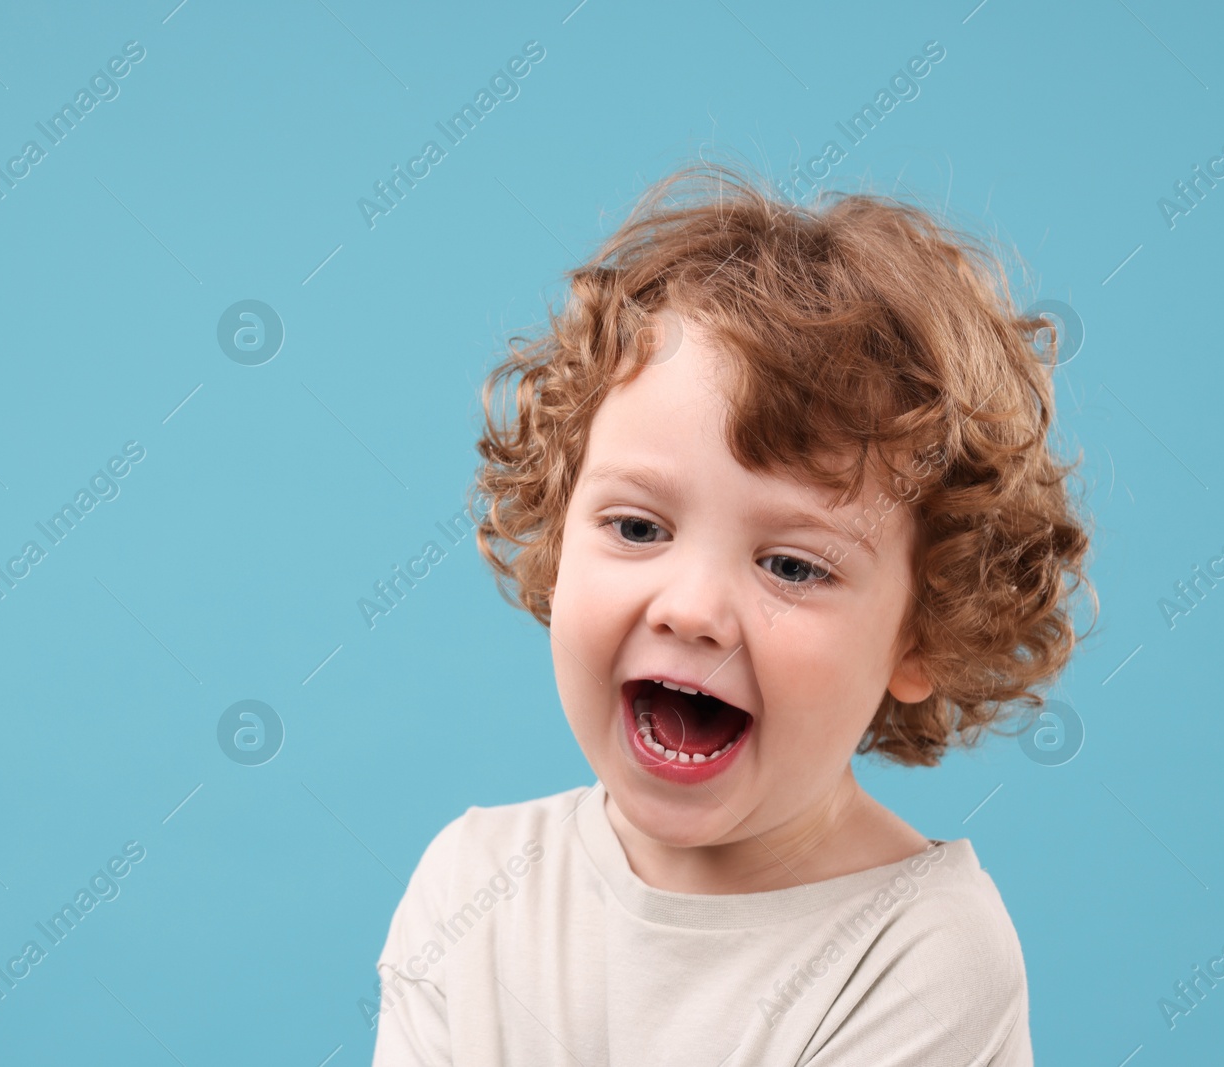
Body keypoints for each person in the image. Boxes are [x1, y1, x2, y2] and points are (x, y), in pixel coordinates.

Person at [369, 160, 1096, 1065]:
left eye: (792, 564)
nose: (694, 609)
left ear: (923, 632)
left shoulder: (920, 954)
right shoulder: (473, 886)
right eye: (638, 526)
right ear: (559, 537)